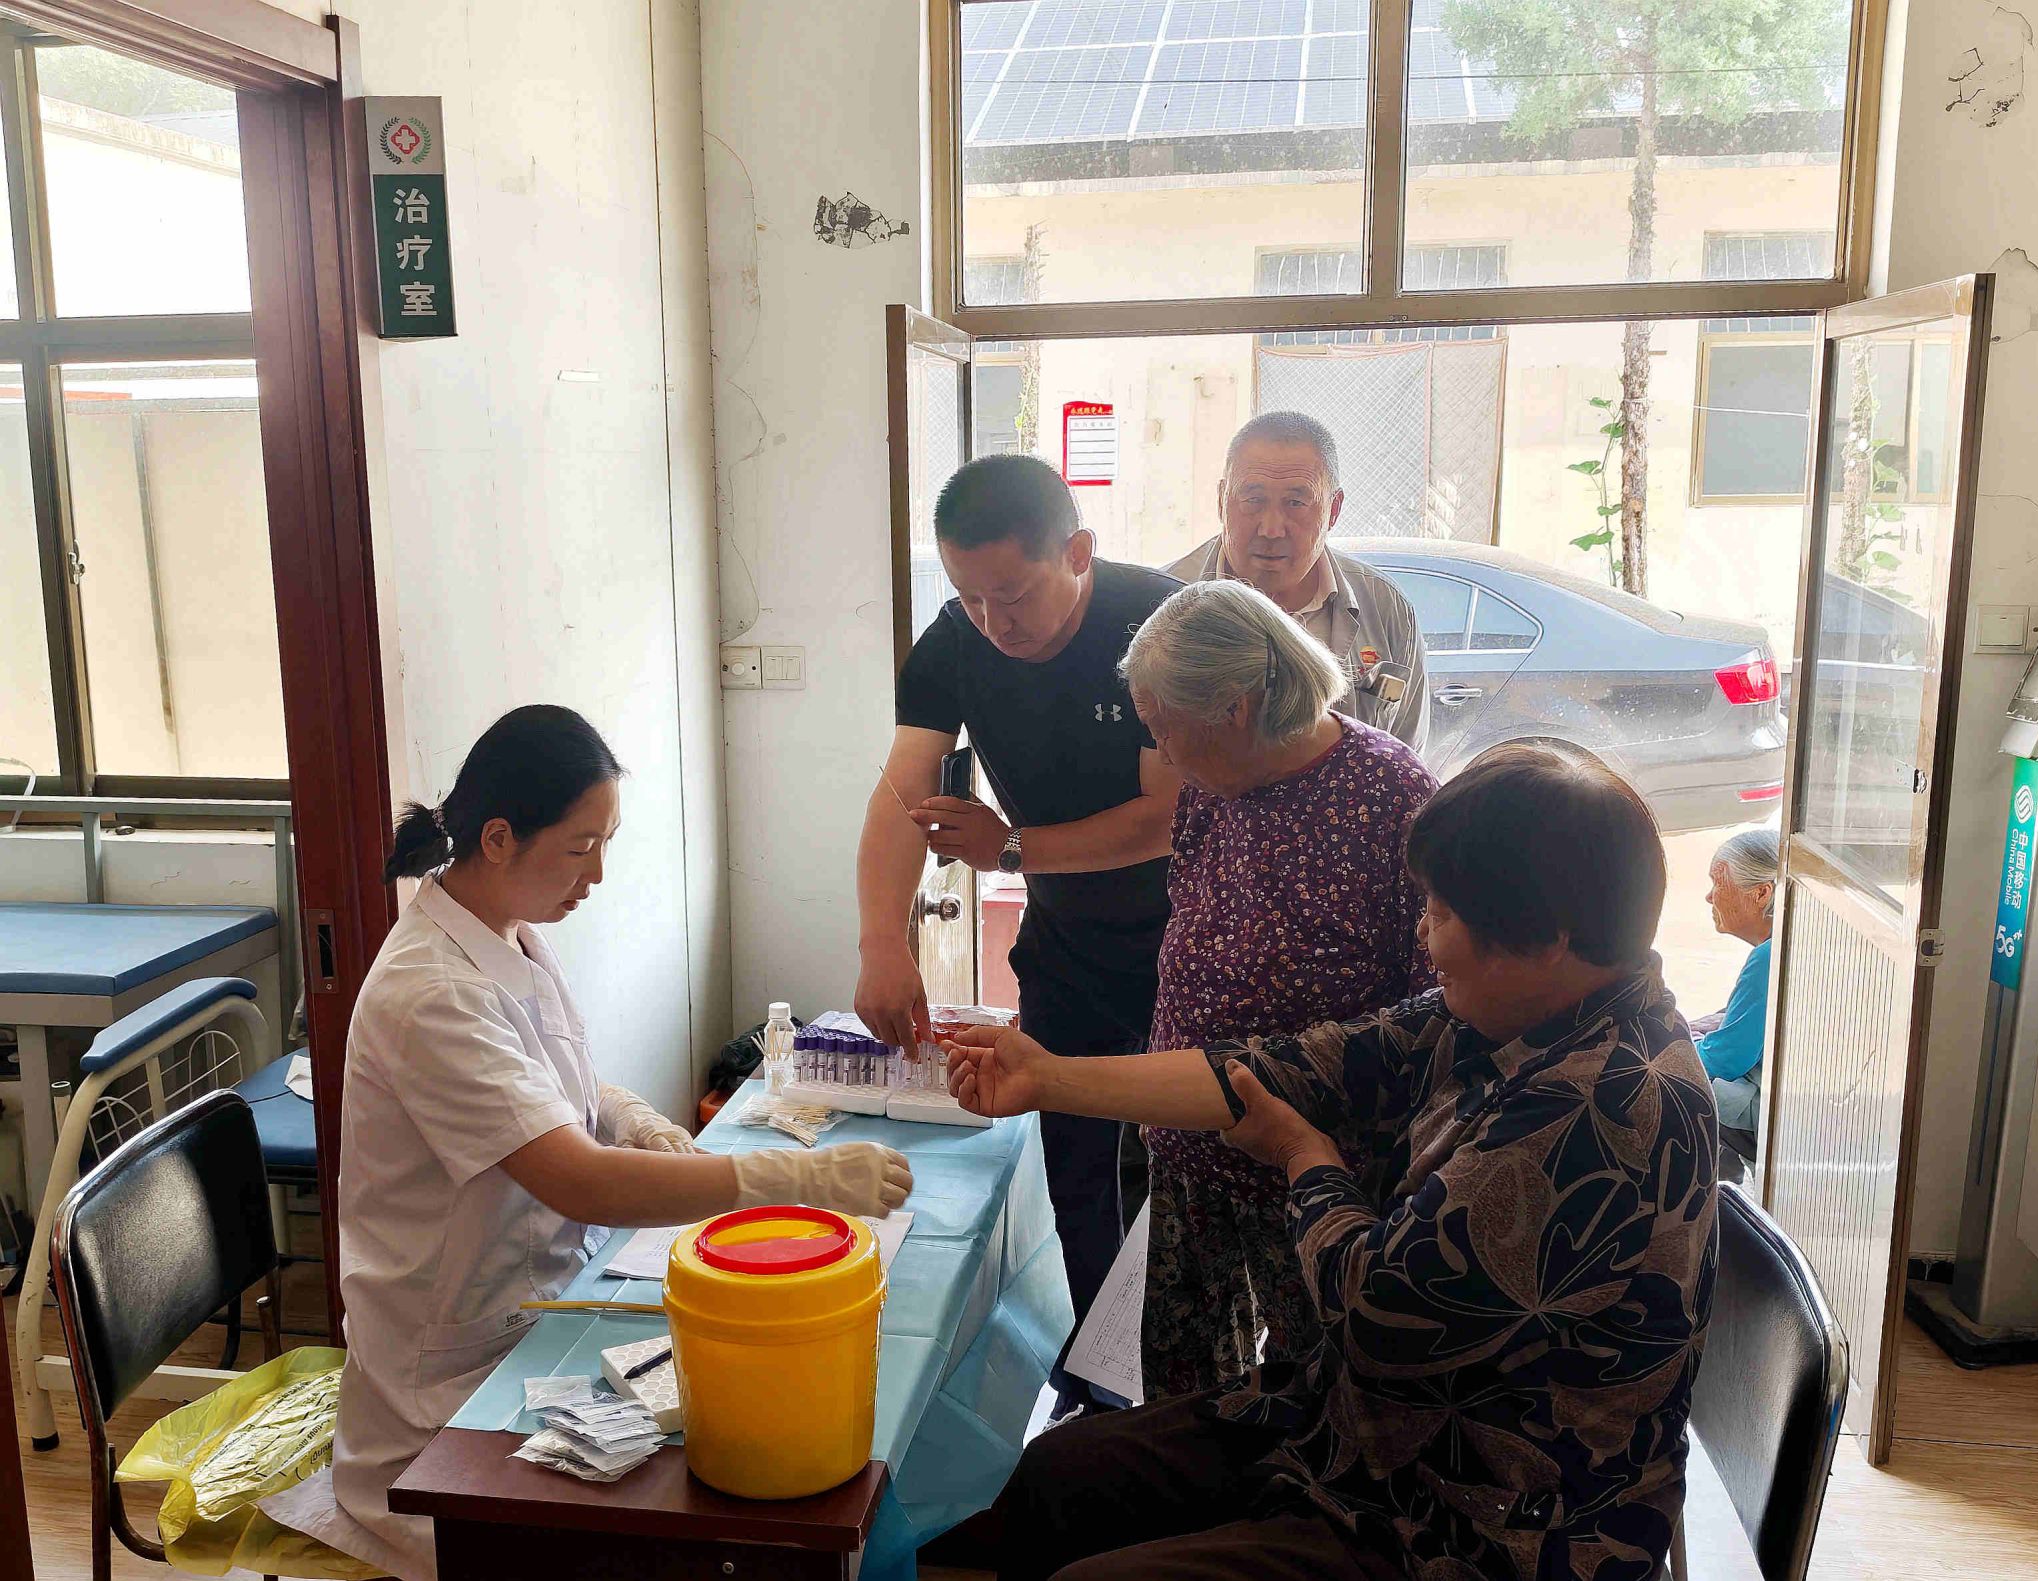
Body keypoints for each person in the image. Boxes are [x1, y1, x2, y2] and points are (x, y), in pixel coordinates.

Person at [946, 744, 1718, 1581]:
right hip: (1365, 1432)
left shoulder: (1603, 1106)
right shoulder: (1516, 1014)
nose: (1423, 933)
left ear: (1550, 939)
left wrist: (1304, 1158)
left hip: (1485, 1519)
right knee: (1059, 1475)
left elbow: (1376, 1313)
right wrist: (1048, 1077)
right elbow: (1291, 1067)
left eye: (1442, 913)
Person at [297, 706, 912, 1581]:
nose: (597, 874)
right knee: (708, 1521)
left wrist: (638, 1121)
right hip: (447, 1387)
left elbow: (566, 1089)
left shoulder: (509, 938)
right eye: (581, 847)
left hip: (537, 1307)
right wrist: (794, 1178)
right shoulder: (429, 992)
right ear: (499, 838)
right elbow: (578, 1180)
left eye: (606, 843)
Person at [855, 453, 1181, 1412]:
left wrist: (1011, 849)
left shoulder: (1158, 623)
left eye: (1014, 594)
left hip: (1190, 940)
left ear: (1077, 552)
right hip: (1071, 946)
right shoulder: (956, 642)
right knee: (1074, 1167)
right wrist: (882, 945)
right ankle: (1097, 1390)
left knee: (1189, 1168)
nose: (994, 623)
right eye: (971, 596)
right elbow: (900, 795)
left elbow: (1167, 815)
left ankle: (1182, 1389)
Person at [1121, 579, 1436, 1398]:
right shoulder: (1209, 781)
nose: (1159, 752)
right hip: (1190, 1142)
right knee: (1184, 1394)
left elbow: (1434, 1005)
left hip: (1309, 1167)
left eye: (1163, 727)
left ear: (1234, 709)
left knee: (1314, 1396)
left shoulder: (1390, 794)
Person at [1165, 411, 1428, 754]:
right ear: (1221, 500)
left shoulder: (1385, 608)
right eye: (1253, 500)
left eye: (1295, 503)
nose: (1271, 529)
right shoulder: (1162, 602)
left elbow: (1405, 754)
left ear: (1333, 510)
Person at [1694, 826, 1778, 1166]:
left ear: (1761, 893)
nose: (1709, 897)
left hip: (1778, 1116)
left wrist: (1670, 1049)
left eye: (1718, 883)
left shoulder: (1771, 958)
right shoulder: (1796, 939)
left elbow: (1728, 1059)